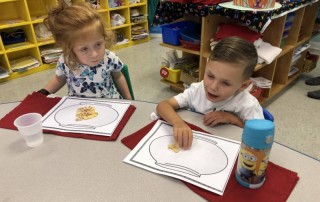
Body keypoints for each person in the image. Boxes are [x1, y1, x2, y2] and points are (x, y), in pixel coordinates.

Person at [156, 37, 264, 150]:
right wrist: (177, 123)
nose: (213, 87)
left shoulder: (248, 104)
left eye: (225, 83)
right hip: (196, 148)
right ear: (206, 65)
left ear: (243, 86)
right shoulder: (197, 90)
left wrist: (234, 119)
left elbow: (259, 138)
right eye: (210, 76)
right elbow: (163, 105)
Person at [37, 1, 132, 100]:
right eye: (84, 49)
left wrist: (129, 100)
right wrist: (43, 93)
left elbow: (118, 77)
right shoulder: (66, 61)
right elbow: (59, 79)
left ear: (104, 37)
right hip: (80, 109)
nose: (94, 54)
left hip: (110, 104)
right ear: (70, 48)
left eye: (98, 44)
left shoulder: (109, 58)